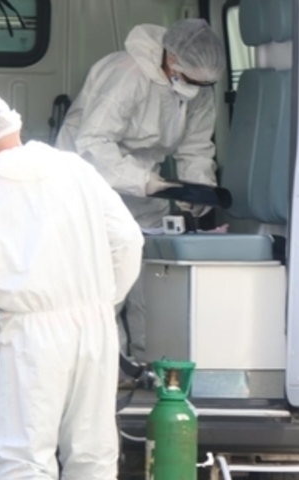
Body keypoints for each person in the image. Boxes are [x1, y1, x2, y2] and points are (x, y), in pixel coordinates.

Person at [0, 92, 144, 480]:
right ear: (15, 124)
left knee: (25, 459)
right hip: (95, 328)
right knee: (91, 453)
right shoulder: (76, 170)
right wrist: (104, 301)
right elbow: (129, 240)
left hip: (33, 338)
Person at [55, 19, 225, 363]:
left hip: (146, 189)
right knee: (103, 286)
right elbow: (93, 143)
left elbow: (195, 146)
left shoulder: (198, 89)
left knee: (148, 285)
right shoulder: (127, 73)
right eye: (191, 80)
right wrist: (144, 181)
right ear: (172, 60)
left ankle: (150, 366)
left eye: (202, 83)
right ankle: (106, 372)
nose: (194, 89)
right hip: (89, 183)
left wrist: (198, 191)